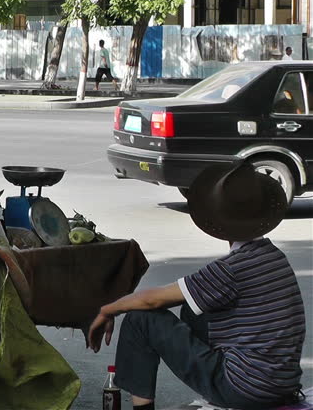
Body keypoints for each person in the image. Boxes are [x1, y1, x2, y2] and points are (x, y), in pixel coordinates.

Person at [86, 162, 305, 410]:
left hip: (243, 390)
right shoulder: (274, 256)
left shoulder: (231, 268)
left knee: (140, 319)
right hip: (281, 386)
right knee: (193, 307)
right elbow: (184, 293)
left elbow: (152, 300)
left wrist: (107, 309)